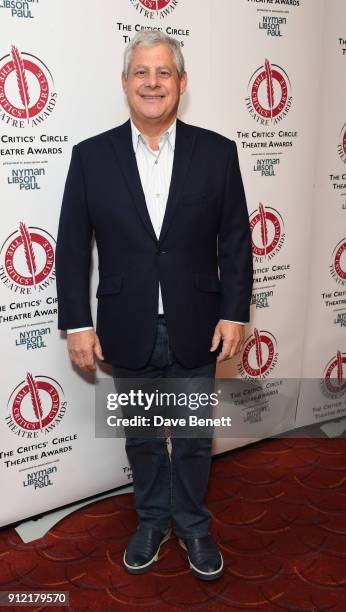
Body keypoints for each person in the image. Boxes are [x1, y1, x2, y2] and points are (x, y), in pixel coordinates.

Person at [55, 31, 253, 581]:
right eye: (141, 72)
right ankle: (151, 520)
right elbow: (71, 248)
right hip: (127, 325)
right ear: (125, 83)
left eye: (163, 72)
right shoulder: (91, 157)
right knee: (142, 437)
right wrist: (76, 323)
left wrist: (235, 313)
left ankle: (192, 524)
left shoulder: (217, 153)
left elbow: (236, 239)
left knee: (192, 438)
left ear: (181, 83)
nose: (152, 83)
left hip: (197, 325)